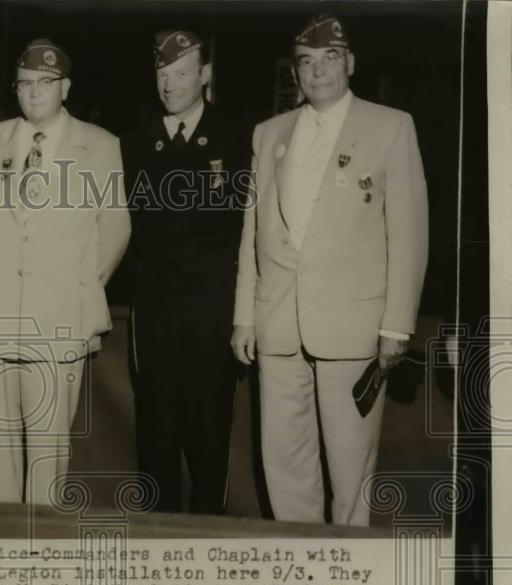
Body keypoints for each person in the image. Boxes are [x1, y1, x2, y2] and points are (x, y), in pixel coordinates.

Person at [230, 15, 429, 526]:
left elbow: (408, 234)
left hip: (353, 327)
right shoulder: (269, 134)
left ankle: (349, 576)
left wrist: (396, 325)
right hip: (277, 323)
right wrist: (244, 317)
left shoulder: (390, 127)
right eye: (306, 62)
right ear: (295, 73)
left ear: (351, 64)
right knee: (285, 465)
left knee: (350, 470)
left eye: (329, 59)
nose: (317, 72)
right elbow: (253, 233)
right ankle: (301, 571)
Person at [0, 38, 131, 506]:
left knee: (47, 455)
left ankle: (40, 553)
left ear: (66, 88)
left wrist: (76, 287)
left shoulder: (99, 146)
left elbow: (115, 230)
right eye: (24, 84)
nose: (33, 92)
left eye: (45, 82)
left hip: (59, 319)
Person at [122, 30, 251, 515]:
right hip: (154, 307)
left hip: (213, 308)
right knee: (155, 432)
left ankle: (211, 539)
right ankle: (155, 546)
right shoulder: (135, 144)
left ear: (205, 75)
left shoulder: (238, 138)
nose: (169, 84)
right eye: (161, 74)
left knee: (208, 433)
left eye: (180, 73)